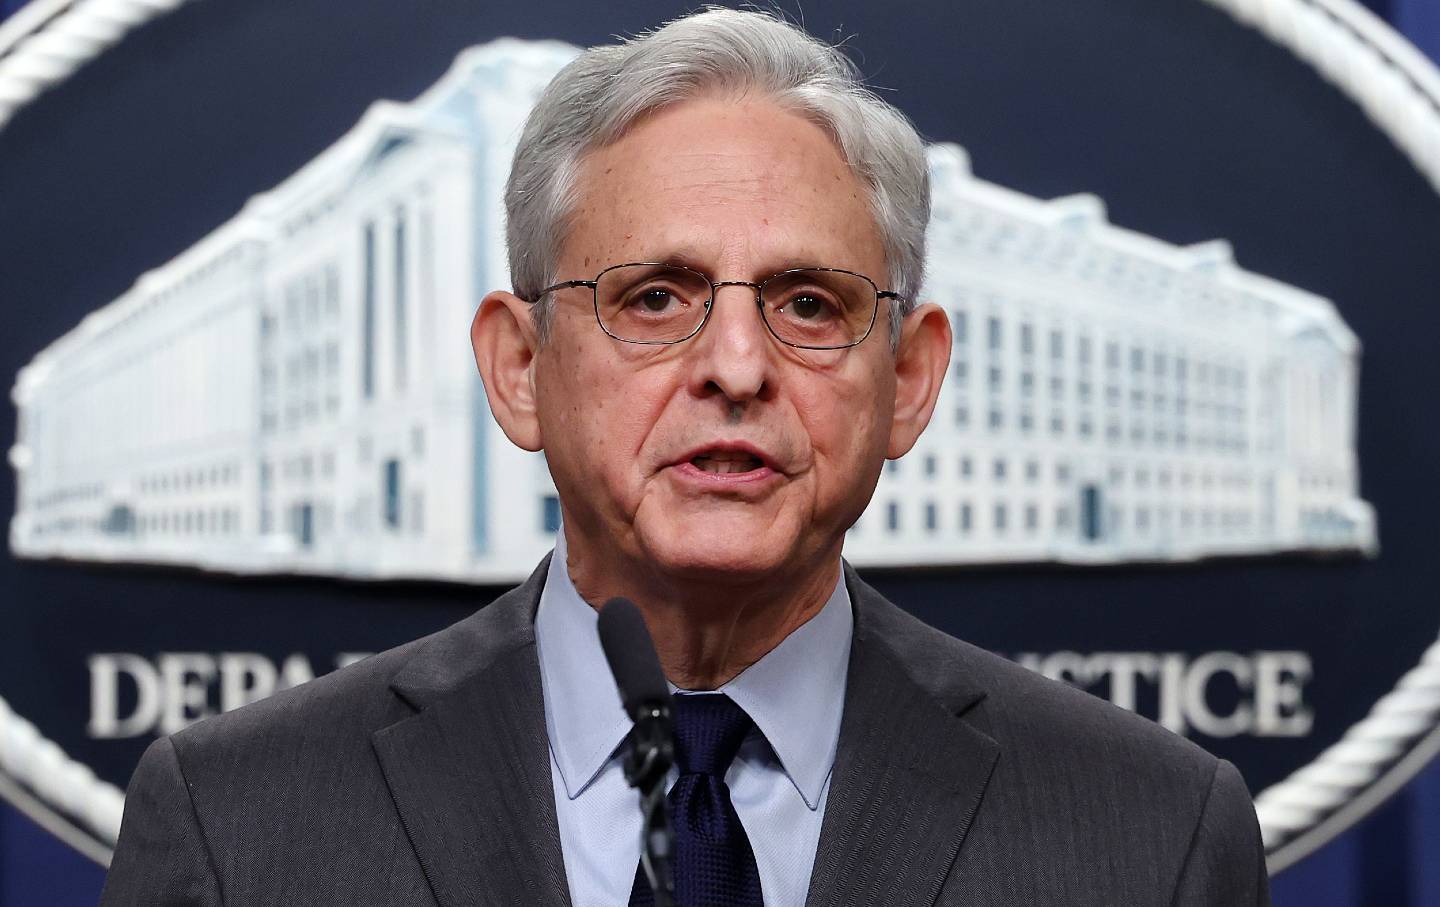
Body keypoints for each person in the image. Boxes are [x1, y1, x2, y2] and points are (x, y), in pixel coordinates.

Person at [102, 9, 1271, 905]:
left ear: (907, 380)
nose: (736, 367)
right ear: (520, 368)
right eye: (654, 297)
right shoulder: (237, 825)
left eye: (809, 304)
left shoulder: (1151, 835)